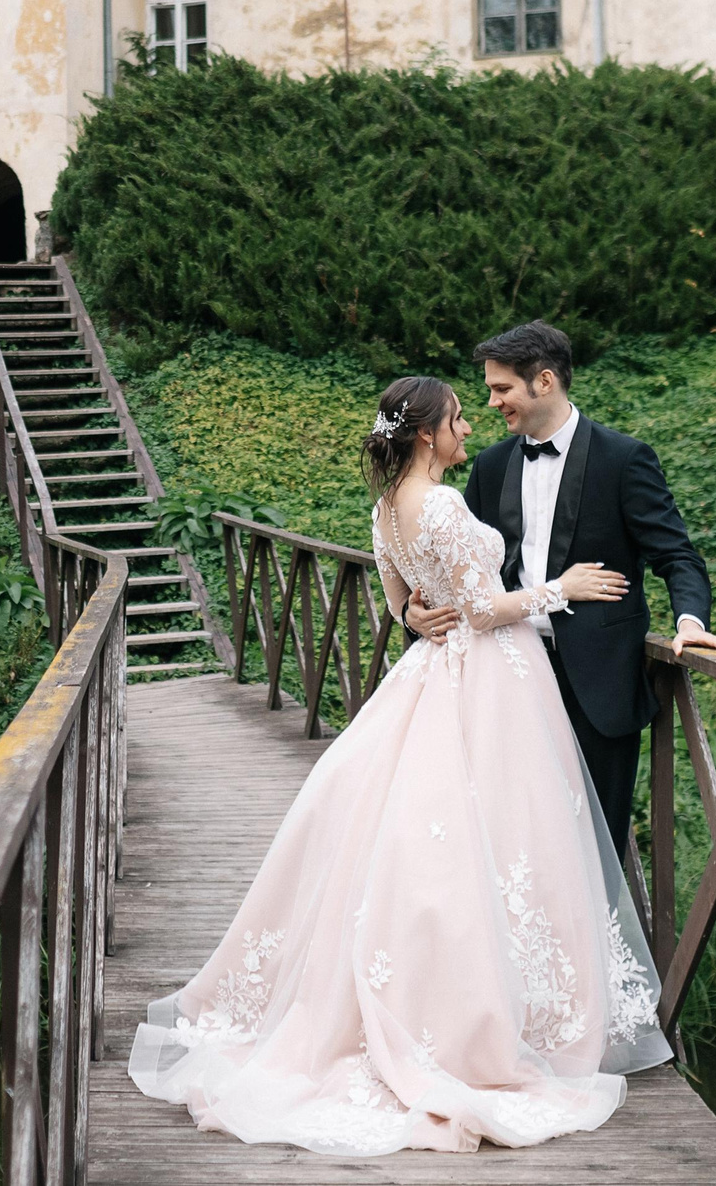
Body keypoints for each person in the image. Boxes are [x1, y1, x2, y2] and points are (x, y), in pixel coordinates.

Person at [126, 377, 672, 1155]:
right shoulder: (443, 505)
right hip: (490, 681)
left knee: (437, 846)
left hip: (429, 678)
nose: (465, 430)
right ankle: (509, 1019)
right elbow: (483, 609)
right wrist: (563, 587)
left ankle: (453, 999)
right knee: (508, 841)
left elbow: (401, 606)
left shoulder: (384, 511)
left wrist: (418, 612)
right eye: (456, 419)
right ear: (427, 434)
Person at [405, 320, 716, 867]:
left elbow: (677, 556)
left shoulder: (625, 459)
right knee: (509, 844)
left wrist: (689, 623)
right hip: (502, 678)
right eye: (488, 389)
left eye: (501, 388)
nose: (491, 402)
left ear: (545, 381)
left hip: (598, 686)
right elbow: (466, 568)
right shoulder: (489, 465)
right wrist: (418, 610)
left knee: (594, 849)